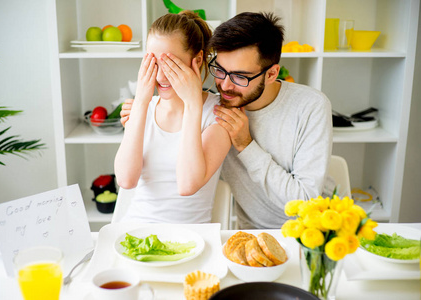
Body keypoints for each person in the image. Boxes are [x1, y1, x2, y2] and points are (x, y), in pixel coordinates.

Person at [121, 12, 332, 229]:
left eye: (240, 76)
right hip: (250, 234)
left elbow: (306, 203)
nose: (225, 85)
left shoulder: (310, 106)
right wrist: (139, 112)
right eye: (220, 70)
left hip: (315, 230)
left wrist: (246, 145)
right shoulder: (217, 108)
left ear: (271, 74)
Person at [114, 11, 231, 224]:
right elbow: (125, 180)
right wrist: (141, 102)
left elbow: (187, 185)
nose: (160, 76)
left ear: (196, 60)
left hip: (191, 239)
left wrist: (193, 104)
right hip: (135, 230)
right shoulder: (142, 109)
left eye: (170, 64)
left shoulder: (218, 115)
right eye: (154, 63)